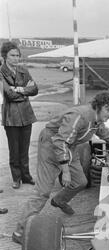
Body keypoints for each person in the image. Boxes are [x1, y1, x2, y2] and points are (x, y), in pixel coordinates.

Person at [12, 91, 109, 244]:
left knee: (80, 182)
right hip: (51, 145)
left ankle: (59, 200)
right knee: (43, 192)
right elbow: (60, 141)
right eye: (108, 109)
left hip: (70, 147)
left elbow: (103, 133)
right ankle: (20, 230)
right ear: (98, 106)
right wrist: (65, 171)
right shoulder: (80, 116)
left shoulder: (97, 121)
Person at [0, 41, 38, 189]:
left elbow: (35, 89)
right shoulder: (1, 72)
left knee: (25, 148)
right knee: (14, 149)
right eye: (12, 55)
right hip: (11, 116)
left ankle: (26, 176)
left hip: (26, 114)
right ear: (5, 56)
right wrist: (24, 91)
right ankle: (16, 178)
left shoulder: (23, 70)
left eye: (18, 55)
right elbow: (9, 94)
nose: (16, 58)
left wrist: (19, 90)